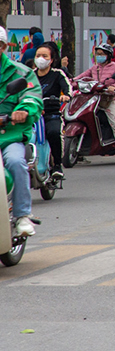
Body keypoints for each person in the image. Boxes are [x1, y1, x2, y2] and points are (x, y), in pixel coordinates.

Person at [0, 27, 44, 237]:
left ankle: (22, 215)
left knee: (16, 162)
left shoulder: (21, 72)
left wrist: (23, 110)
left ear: (3, 47)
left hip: (10, 134)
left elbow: (32, 95)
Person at [75, 43, 115, 163]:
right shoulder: (95, 68)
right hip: (95, 98)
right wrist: (70, 82)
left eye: (102, 54)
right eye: (97, 54)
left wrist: (114, 87)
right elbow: (82, 76)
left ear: (108, 55)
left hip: (110, 99)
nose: (99, 56)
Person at [33, 42, 69, 178]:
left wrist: (66, 96)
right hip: (32, 114)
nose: (41, 58)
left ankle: (57, 165)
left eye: (44, 56)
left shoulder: (58, 74)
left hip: (51, 114)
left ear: (51, 60)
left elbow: (67, 87)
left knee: (54, 132)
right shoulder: (29, 75)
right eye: (38, 55)